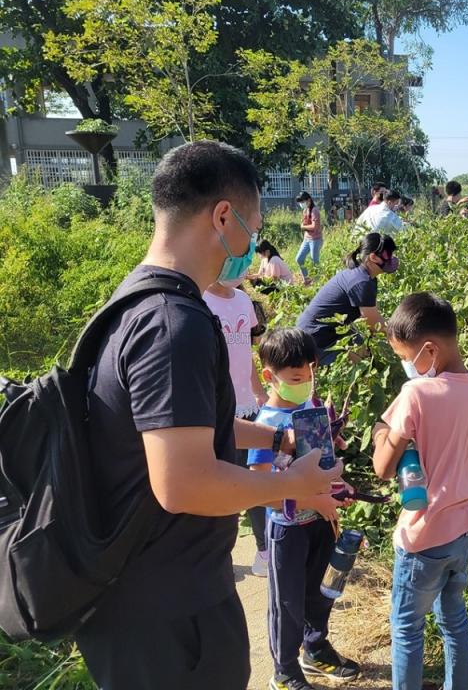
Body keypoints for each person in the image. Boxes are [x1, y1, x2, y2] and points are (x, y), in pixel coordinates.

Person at [75, 140, 342, 690]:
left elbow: (178, 430)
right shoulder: (177, 323)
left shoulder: (136, 300)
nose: (250, 243)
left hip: (140, 603)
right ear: (224, 216)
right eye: (254, 223)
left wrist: (276, 435)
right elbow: (184, 483)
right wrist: (291, 486)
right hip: (173, 617)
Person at [372, 293, 468, 690]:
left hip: (424, 537)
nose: (407, 367)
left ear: (429, 349)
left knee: (407, 627)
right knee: (453, 618)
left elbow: (383, 468)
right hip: (466, 529)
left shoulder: (416, 394)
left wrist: (381, 436)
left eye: (406, 357)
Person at [246, 329, 361, 690]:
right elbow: (259, 489)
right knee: (287, 603)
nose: (305, 383)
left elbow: (322, 460)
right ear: (270, 377)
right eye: (296, 378)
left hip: (322, 520)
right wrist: (311, 500)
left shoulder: (311, 407)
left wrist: (339, 487)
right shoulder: (264, 427)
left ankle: (315, 648)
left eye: (310, 374)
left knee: (320, 592)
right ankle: (284, 670)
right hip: (288, 527)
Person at [202, 278, 270, 577]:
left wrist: (260, 393)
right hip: (218, 410)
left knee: (254, 481)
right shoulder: (201, 300)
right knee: (219, 486)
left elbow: (246, 357)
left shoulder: (243, 301)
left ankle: (264, 552)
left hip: (249, 406)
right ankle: (215, 555)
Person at [296, 233, 398, 365]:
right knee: (360, 365)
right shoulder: (362, 282)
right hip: (315, 338)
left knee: (363, 349)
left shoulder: (364, 275)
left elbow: (373, 314)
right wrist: (402, 341)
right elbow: (375, 324)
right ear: (373, 257)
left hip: (324, 330)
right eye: (388, 255)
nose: (392, 259)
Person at [295, 191, 323, 282]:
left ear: (309, 200)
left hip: (315, 239)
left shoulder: (314, 210)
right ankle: (306, 279)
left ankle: (317, 282)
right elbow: (305, 224)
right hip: (307, 239)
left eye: (302, 202)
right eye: (300, 202)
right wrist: (304, 226)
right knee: (299, 258)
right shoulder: (305, 210)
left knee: (315, 261)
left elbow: (314, 226)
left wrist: (303, 227)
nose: (301, 204)